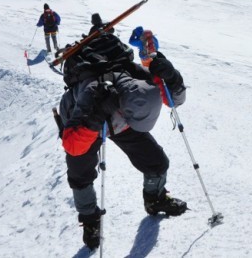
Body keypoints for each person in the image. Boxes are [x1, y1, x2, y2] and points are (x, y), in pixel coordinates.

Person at [57, 29, 187, 250]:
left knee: (156, 161)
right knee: (80, 175)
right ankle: (90, 221)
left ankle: (155, 199)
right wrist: (95, 118)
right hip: (87, 124)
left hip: (120, 121)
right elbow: (73, 146)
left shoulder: (133, 76)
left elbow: (175, 100)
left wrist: (172, 77)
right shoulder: (88, 93)